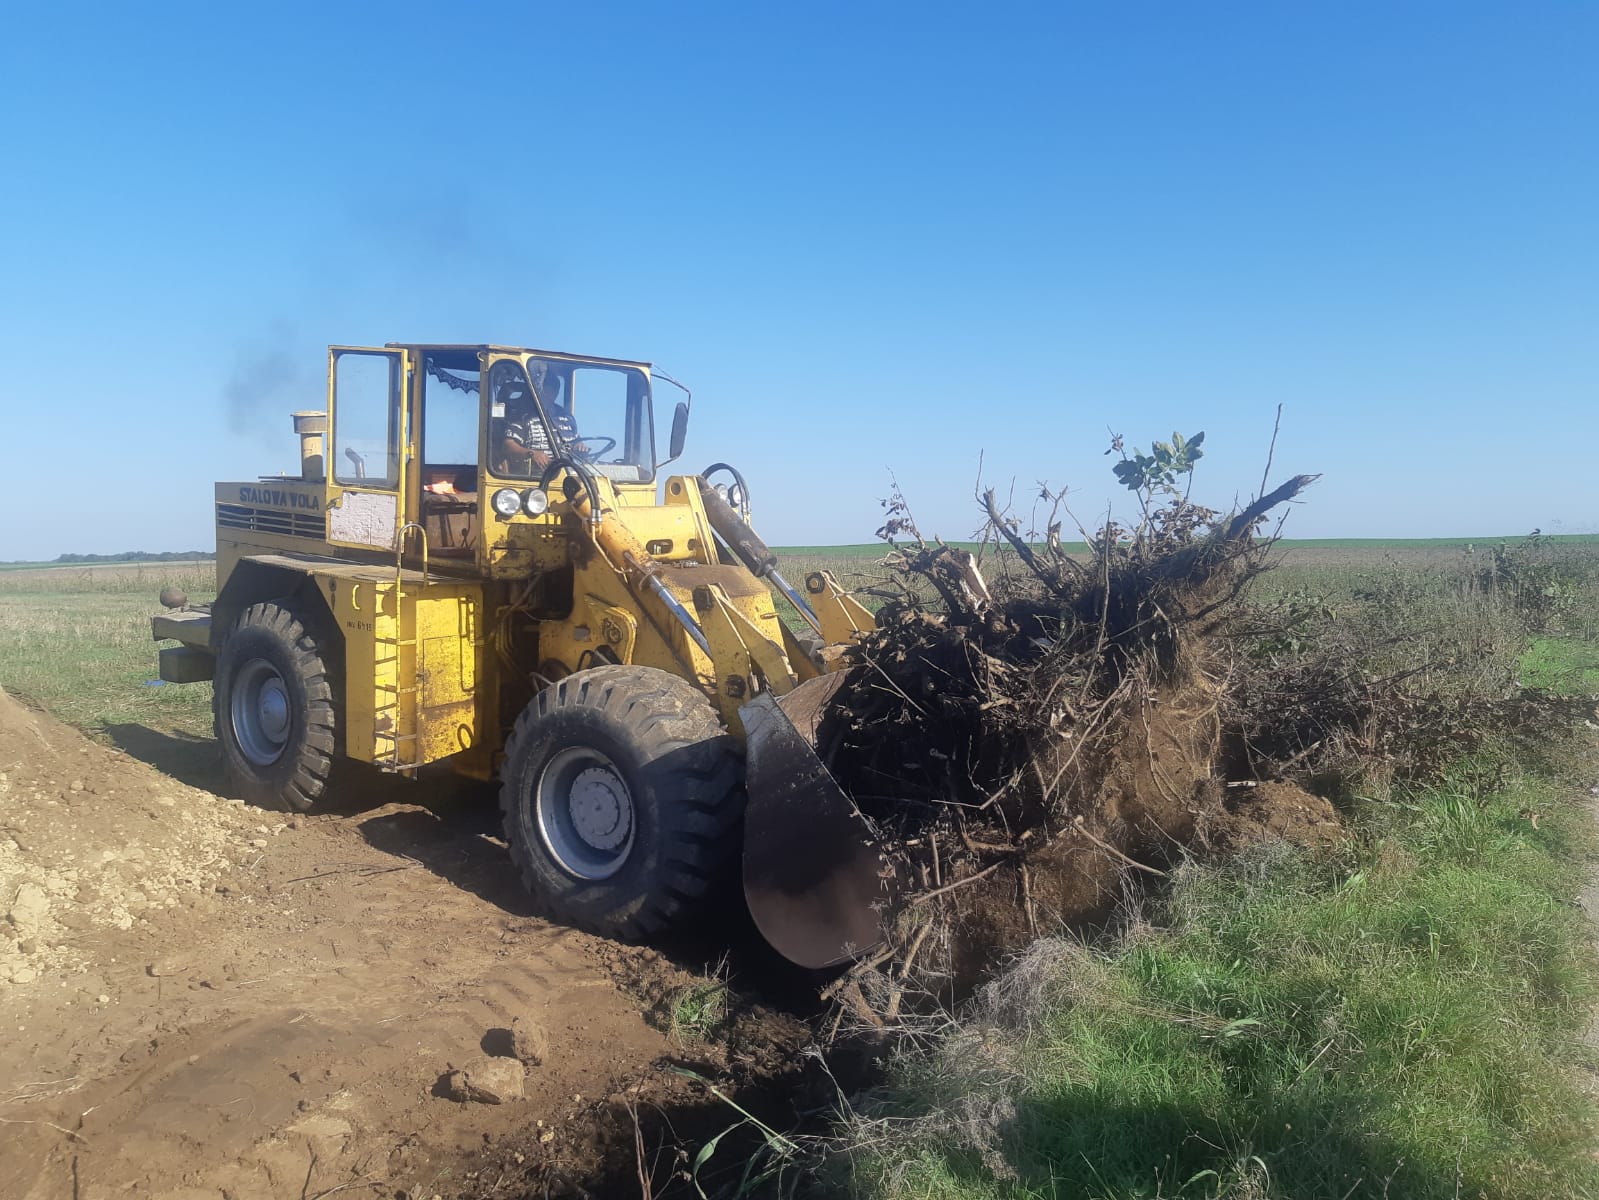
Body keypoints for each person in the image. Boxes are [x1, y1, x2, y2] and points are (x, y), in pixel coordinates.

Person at [491, 361, 577, 476]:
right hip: (534, 476)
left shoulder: (567, 417)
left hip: (567, 475)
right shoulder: (524, 415)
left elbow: (576, 442)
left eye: (552, 390)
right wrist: (531, 453)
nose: (548, 394)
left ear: (556, 392)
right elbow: (508, 445)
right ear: (537, 390)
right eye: (544, 390)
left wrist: (579, 447)